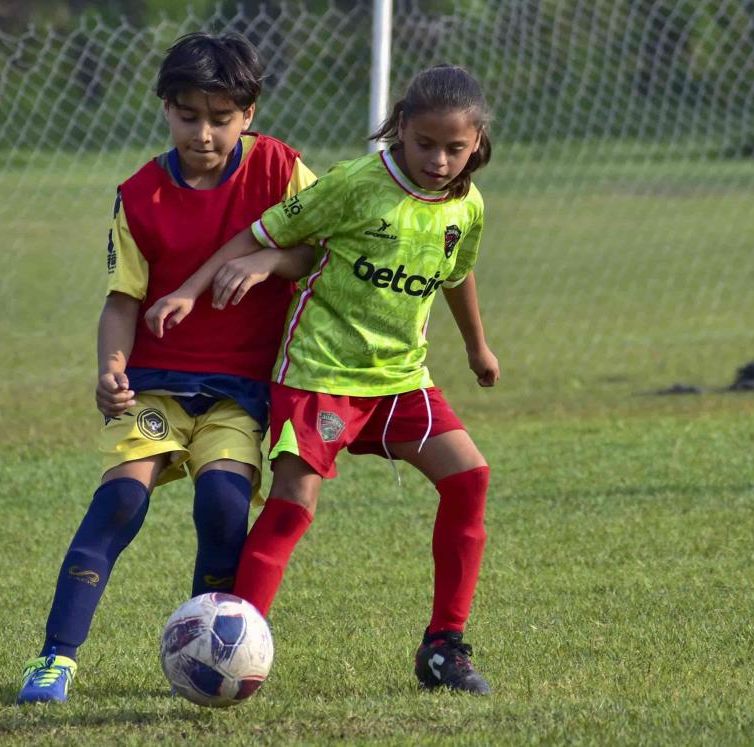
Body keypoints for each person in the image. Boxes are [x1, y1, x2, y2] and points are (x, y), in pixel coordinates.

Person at [145, 64, 500, 695]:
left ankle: (444, 646)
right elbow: (259, 233)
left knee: (469, 478)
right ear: (399, 131)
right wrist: (193, 288)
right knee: (293, 506)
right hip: (320, 374)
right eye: (425, 144)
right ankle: (230, 643)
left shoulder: (466, 204)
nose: (440, 160)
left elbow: (457, 273)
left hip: (398, 378)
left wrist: (477, 347)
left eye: (455, 148)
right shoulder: (357, 184)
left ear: (477, 144)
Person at [15, 31, 317, 704]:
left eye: (220, 118)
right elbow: (121, 299)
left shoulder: (282, 172)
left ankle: (207, 645)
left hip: (239, 392)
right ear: (165, 109)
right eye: (187, 115)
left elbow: (321, 251)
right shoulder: (142, 195)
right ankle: (54, 658)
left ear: (250, 113)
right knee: (120, 499)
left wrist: (267, 259)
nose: (203, 133)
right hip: (157, 384)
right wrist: (111, 368)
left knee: (222, 503)